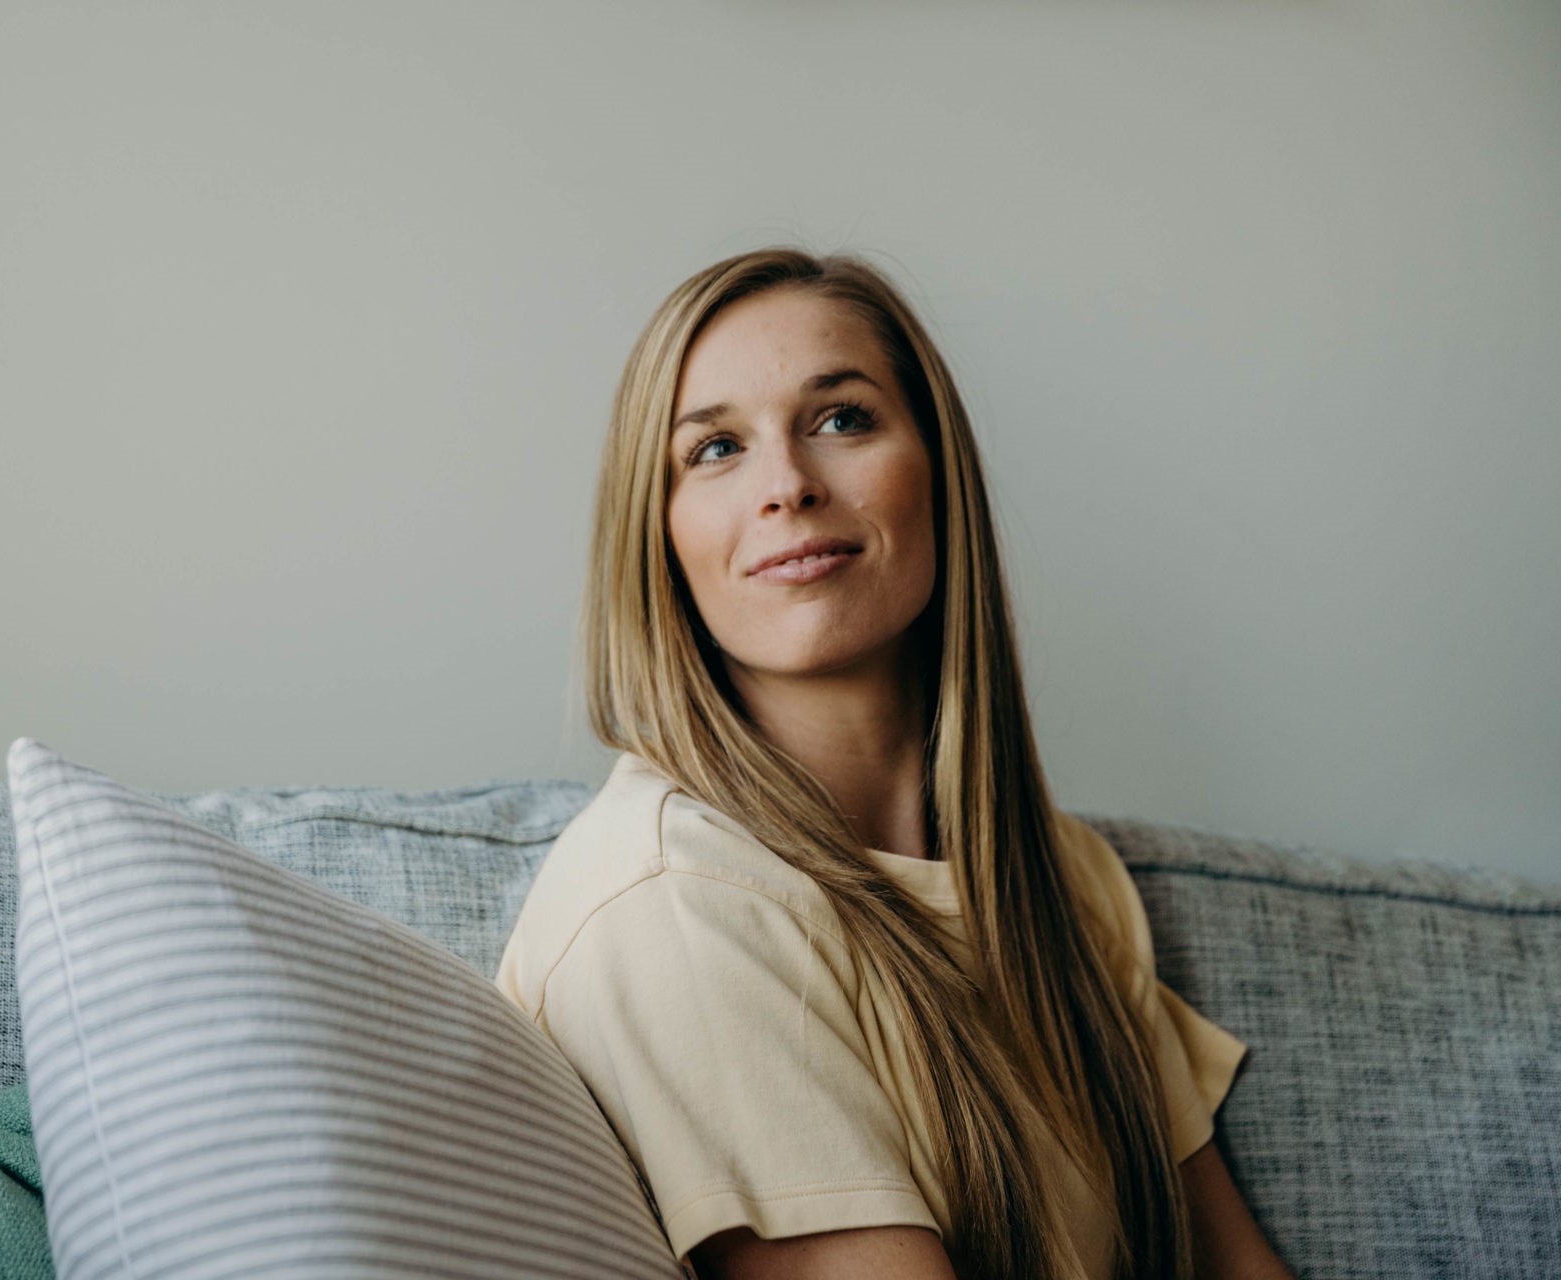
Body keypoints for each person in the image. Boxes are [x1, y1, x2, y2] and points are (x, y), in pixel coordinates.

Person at [495, 247, 1294, 1280]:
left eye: (842, 419)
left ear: (938, 472)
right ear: (660, 538)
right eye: (715, 449)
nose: (787, 485)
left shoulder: (1064, 878)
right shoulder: (675, 900)